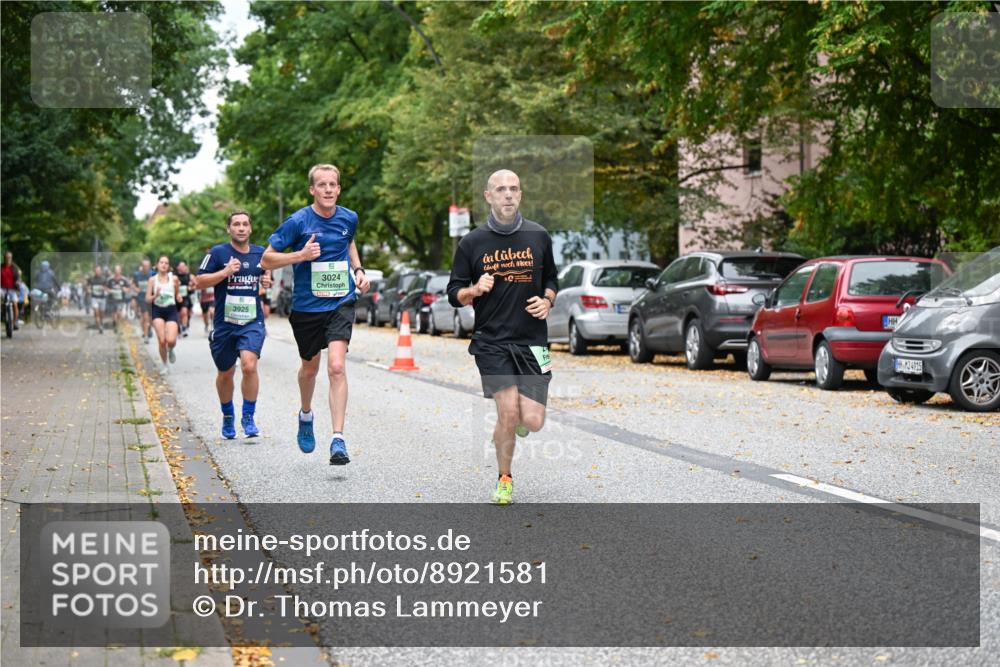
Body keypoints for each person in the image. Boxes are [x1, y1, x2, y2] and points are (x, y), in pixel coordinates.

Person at [446, 169, 558, 505]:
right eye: (501, 189)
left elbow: (552, 278)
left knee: (533, 421)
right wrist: (474, 290)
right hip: (491, 342)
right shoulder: (472, 243)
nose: (508, 195)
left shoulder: (538, 236)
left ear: (520, 195)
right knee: (507, 412)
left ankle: (520, 422)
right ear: (488, 196)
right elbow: (453, 293)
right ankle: (504, 477)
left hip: (533, 341)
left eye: (514, 189)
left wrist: (548, 300)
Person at [261, 163, 369, 465]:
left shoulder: (349, 218)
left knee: (336, 367)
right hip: (307, 307)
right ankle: (306, 414)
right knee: (310, 369)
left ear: (339, 188)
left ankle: (338, 439)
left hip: (341, 302)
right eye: (322, 185)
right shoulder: (298, 222)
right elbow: (267, 259)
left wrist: (358, 270)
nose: (328, 190)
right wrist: (300, 256)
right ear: (312, 189)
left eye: (333, 184)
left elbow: (349, 242)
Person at [196, 210, 271, 439]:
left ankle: (248, 416)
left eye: (245, 224)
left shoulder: (260, 253)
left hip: (251, 321)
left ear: (250, 228)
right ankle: (228, 416)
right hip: (225, 324)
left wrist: (266, 278)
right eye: (236, 224)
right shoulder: (218, 253)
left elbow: (267, 271)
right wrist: (226, 271)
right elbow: (199, 281)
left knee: (249, 365)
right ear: (229, 229)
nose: (240, 228)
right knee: (226, 372)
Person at [146, 255, 181, 373]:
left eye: (166, 263)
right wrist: (155, 295)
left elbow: (177, 293)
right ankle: (165, 365)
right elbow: (147, 299)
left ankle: (170, 349)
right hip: (157, 310)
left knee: (171, 340)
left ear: (168, 266)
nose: (164, 265)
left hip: (171, 310)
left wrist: (178, 296)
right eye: (161, 262)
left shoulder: (174, 279)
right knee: (162, 340)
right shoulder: (152, 280)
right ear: (157, 265)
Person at [132, 259, 154, 342]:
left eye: (147, 266)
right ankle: (146, 336)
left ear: (149, 266)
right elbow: (133, 283)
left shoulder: (152, 275)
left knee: (150, 318)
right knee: (145, 317)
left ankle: (149, 329)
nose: (146, 267)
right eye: (144, 266)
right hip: (142, 299)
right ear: (142, 266)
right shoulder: (137, 275)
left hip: (151, 299)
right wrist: (135, 288)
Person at [1, 252, 23, 329]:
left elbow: (19, 278)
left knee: (14, 304)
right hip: (2, 288)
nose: (8, 259)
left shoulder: (15, 268)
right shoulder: (1, 267)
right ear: (4, 258)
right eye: (6, 257)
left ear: (11, 258)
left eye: (9, 257)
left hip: (12, 289)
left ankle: (14, 323)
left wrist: (18, 282)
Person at [106, 265, 131, 331]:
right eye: (115, 270)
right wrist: (109, 290)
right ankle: (115, 323)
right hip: (112, 299)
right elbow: (106, 287)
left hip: (121, 299)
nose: (117, 272)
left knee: (120, 314)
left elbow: (129, 288)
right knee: (114, 313)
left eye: (118, 270)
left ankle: (118, 325)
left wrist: (126, 289)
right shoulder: (110, 279)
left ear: (121, 271)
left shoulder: (124, 279)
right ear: (114, 271)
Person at [87, 265, 108, 334]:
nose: (97, 272)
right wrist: (89, 290)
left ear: (101, 271)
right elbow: (88, 287)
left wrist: (104, 288)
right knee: (96, 312)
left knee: (102, 313)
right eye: (96, 271)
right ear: (94, 271)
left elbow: (107, 288)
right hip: (94, 298)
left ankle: (101, 323)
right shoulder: (91, 279)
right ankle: (100, 327)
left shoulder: (104, 279)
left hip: (102, 298)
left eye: (99, 271)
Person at [199, 250, 215, 334]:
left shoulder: (216, 268)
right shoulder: (203, 268)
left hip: (213, 297)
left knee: (212, 311)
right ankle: (206, 325)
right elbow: (198, 282)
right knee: (205, 315)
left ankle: (213, 326)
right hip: (204, 298)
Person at [175, 260, 194, 337]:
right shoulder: (174, 276)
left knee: (184, 312)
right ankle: (179, 328)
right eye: (181, 266)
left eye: (184, 266)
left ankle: (184, 328)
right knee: (177, 315)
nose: (183, 267)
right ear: (177, 267)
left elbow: (195, 284)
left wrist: (191, 287)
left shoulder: (189, 276)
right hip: (175, 298)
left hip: (186, 298)